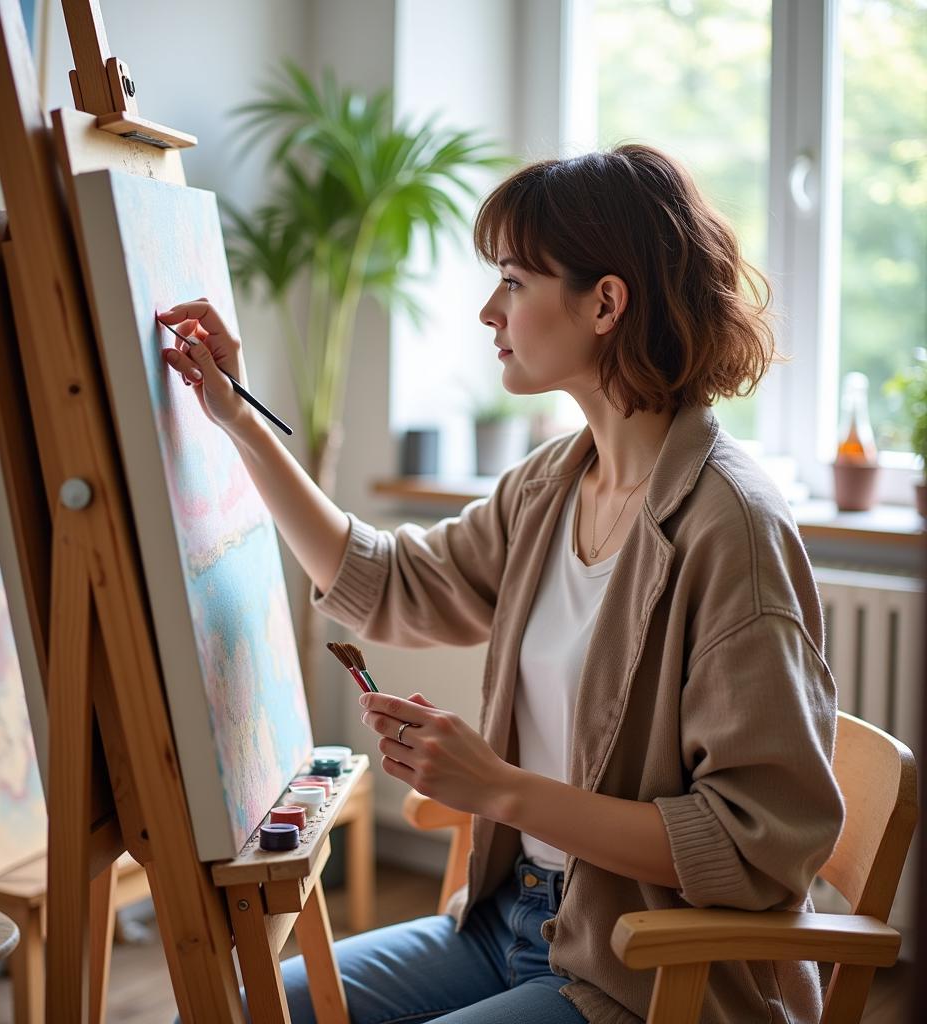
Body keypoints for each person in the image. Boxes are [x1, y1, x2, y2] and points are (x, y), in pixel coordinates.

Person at [160, 143, 844, 1024]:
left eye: (515, 281)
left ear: (605, 302)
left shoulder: (732, 530)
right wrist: (241, 423)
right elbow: (392, 582)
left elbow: (759, 844)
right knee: (228, 1008)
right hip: (511, 918)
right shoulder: (553, 482)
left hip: (647, 968)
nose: (491, 310)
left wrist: (501, 790)